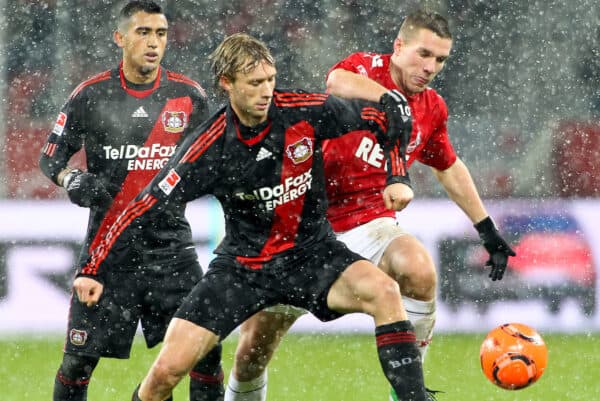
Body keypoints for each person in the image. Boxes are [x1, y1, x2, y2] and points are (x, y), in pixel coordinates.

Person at [78, 32, 432, 401]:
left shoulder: (303, 109)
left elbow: (386, 115)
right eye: (254, 83)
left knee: (386, 292)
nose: (266, 91)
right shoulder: (207, 146)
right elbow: (142, 207)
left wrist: (397, 175)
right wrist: (94, 266)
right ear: (227, 84)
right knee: (163, 376)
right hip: (243, 269)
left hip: (312, 254)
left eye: (270, 80)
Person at [224, 9, 517, 401]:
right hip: (305, 227)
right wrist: (389, 100)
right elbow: (335, 81)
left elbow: (447, 166)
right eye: (423, 54)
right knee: (252, 353)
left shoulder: (431, 108)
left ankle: (409, 391)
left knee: (417, 268)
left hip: (369, 222)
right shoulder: (364, 69)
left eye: (440, 60)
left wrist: (486, 229)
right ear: (398, 47)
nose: (430, 67)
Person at [38, 2, 224, 400]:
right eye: (143, 32)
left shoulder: (188, 96)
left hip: (172, 251)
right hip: (109, 253)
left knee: (205, 353)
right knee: (77, 362)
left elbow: (214, 162)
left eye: (160, 33)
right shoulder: (90, 94)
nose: (153, 42)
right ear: (119, 38)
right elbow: (50, 157)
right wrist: (72, 178)